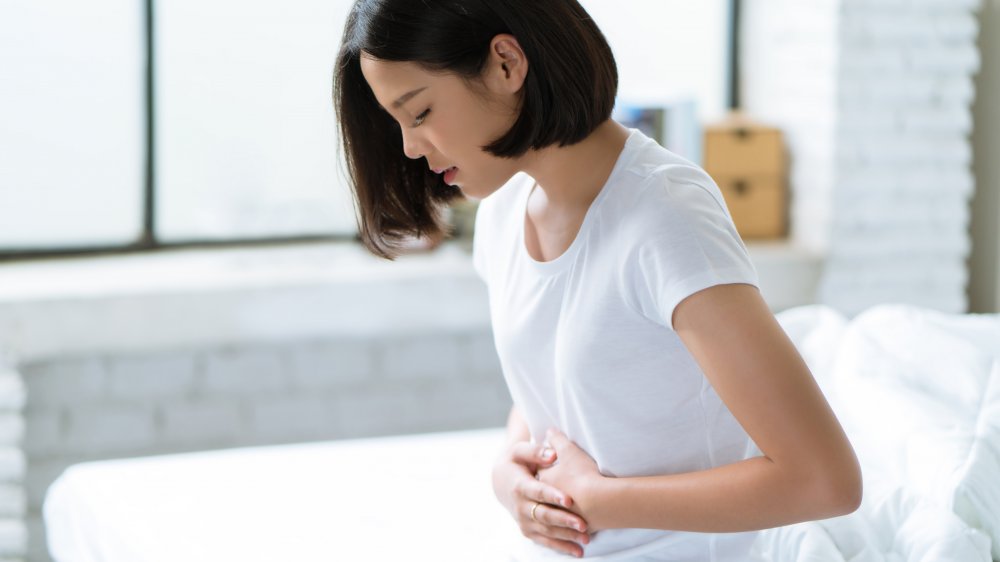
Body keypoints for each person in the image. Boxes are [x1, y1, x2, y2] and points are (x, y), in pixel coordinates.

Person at [333, 1, 862, 560]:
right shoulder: (504, 212)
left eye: (417, 114)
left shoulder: (666, 216)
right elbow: (552, 387)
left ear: (506, 64)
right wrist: (512, 470)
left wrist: (597, 501)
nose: (411, 148)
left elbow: (823, 480)